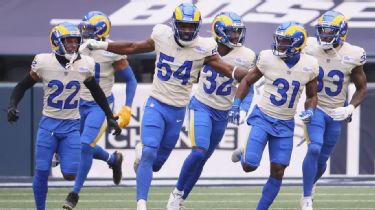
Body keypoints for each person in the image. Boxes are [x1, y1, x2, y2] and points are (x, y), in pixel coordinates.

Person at [82, 3, 250, 210]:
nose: (187, 30)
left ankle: (142, 154)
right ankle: (141, 204)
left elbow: (228, 70)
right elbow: (134, 47)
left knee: (156, 164)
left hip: (178, 109)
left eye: (191, 26)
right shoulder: (162, 34)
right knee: (150, 152)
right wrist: (102, 45)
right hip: (156, 102)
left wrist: (255, 75)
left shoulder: (204, 46)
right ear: (174, 24)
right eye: (183, 25)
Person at [6, 22, 121, 210]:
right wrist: (12, 105)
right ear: (56, 42)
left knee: (70, 173)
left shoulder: (85, 63)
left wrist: (109, 115)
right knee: (42, 171)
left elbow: (96, 90)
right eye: (68, 42)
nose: (73, 46)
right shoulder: (43, 62)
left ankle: (61, 151)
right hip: (49, 125)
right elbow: (22, 85)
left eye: (76, 42)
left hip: (71, 126)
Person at [166, 11, 256, 210]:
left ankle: (180, 201)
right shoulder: (205, 46)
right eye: (231, 32)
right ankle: (176, 192)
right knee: (198, 152)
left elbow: (248, 86)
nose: (236, 36)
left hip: (222, 112)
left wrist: (241, 107)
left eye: (237, 32)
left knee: (203, 159)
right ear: (220, 32)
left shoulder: (247, 55)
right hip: (202, 105)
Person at [229, 21, 319, 210]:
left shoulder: (310, 65)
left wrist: (310, 109)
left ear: (297, 44)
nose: (279, 44)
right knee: (249, 166)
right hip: (263, 117)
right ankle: (245, 152)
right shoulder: (267, 58)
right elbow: (247, 80)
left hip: (285, 123)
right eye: (278, 40)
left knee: (278, 171)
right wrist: (236, 104)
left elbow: (312, 95)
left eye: (285, 41)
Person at [63, 11, 138, 209]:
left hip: (100, 105)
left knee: (85, 145)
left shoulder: (111, 50)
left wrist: (127, 108)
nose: (83, 32)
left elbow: (131, 79)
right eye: (84, 28)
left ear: (100, 32)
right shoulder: (75, 46)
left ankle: (74, 194)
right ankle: (113, 159)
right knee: (78, 145)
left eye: (88, 30)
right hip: (78, 103)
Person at [300, 11, 367, 210]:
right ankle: (306, 198)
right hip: (315, 107)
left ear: (342, 33)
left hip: (336, 112)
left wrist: (350, 107)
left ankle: (311, 183)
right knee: (314, 148)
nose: (325, 36)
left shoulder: (354, 54)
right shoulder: (310, 46)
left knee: (322, 161)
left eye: (330, 32)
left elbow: (362, 87)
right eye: (322, 31)